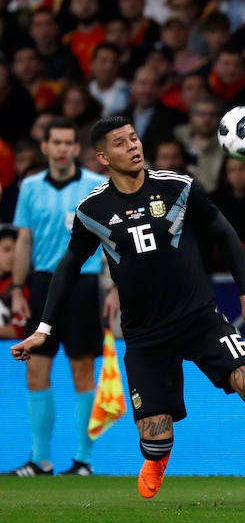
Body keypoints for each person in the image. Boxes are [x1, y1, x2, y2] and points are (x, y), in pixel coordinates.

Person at [10, 115, 245, 508]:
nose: (132, 145)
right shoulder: (92, 209)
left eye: (134, 138)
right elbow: (68, 266)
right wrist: (44, 327)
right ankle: (157, 456)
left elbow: (225, 234)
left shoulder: (177, 187)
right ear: (103, 157)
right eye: (120, 142)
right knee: (155, 437)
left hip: (200, 319)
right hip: (145, 335)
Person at [6, 117, 109, 477]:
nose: (63, 149)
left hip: (83, 285)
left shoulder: (96, 186)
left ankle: (83, 460)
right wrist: (18, 288)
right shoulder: (30, 186)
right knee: (36, 370)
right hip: (42, 283)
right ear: (45, 147)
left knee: (83, 371)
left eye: (69, 142)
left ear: (76, 148)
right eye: (57, 143)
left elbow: (111, 240)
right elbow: (24, 240)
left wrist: (112, 288)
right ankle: (41, 460)